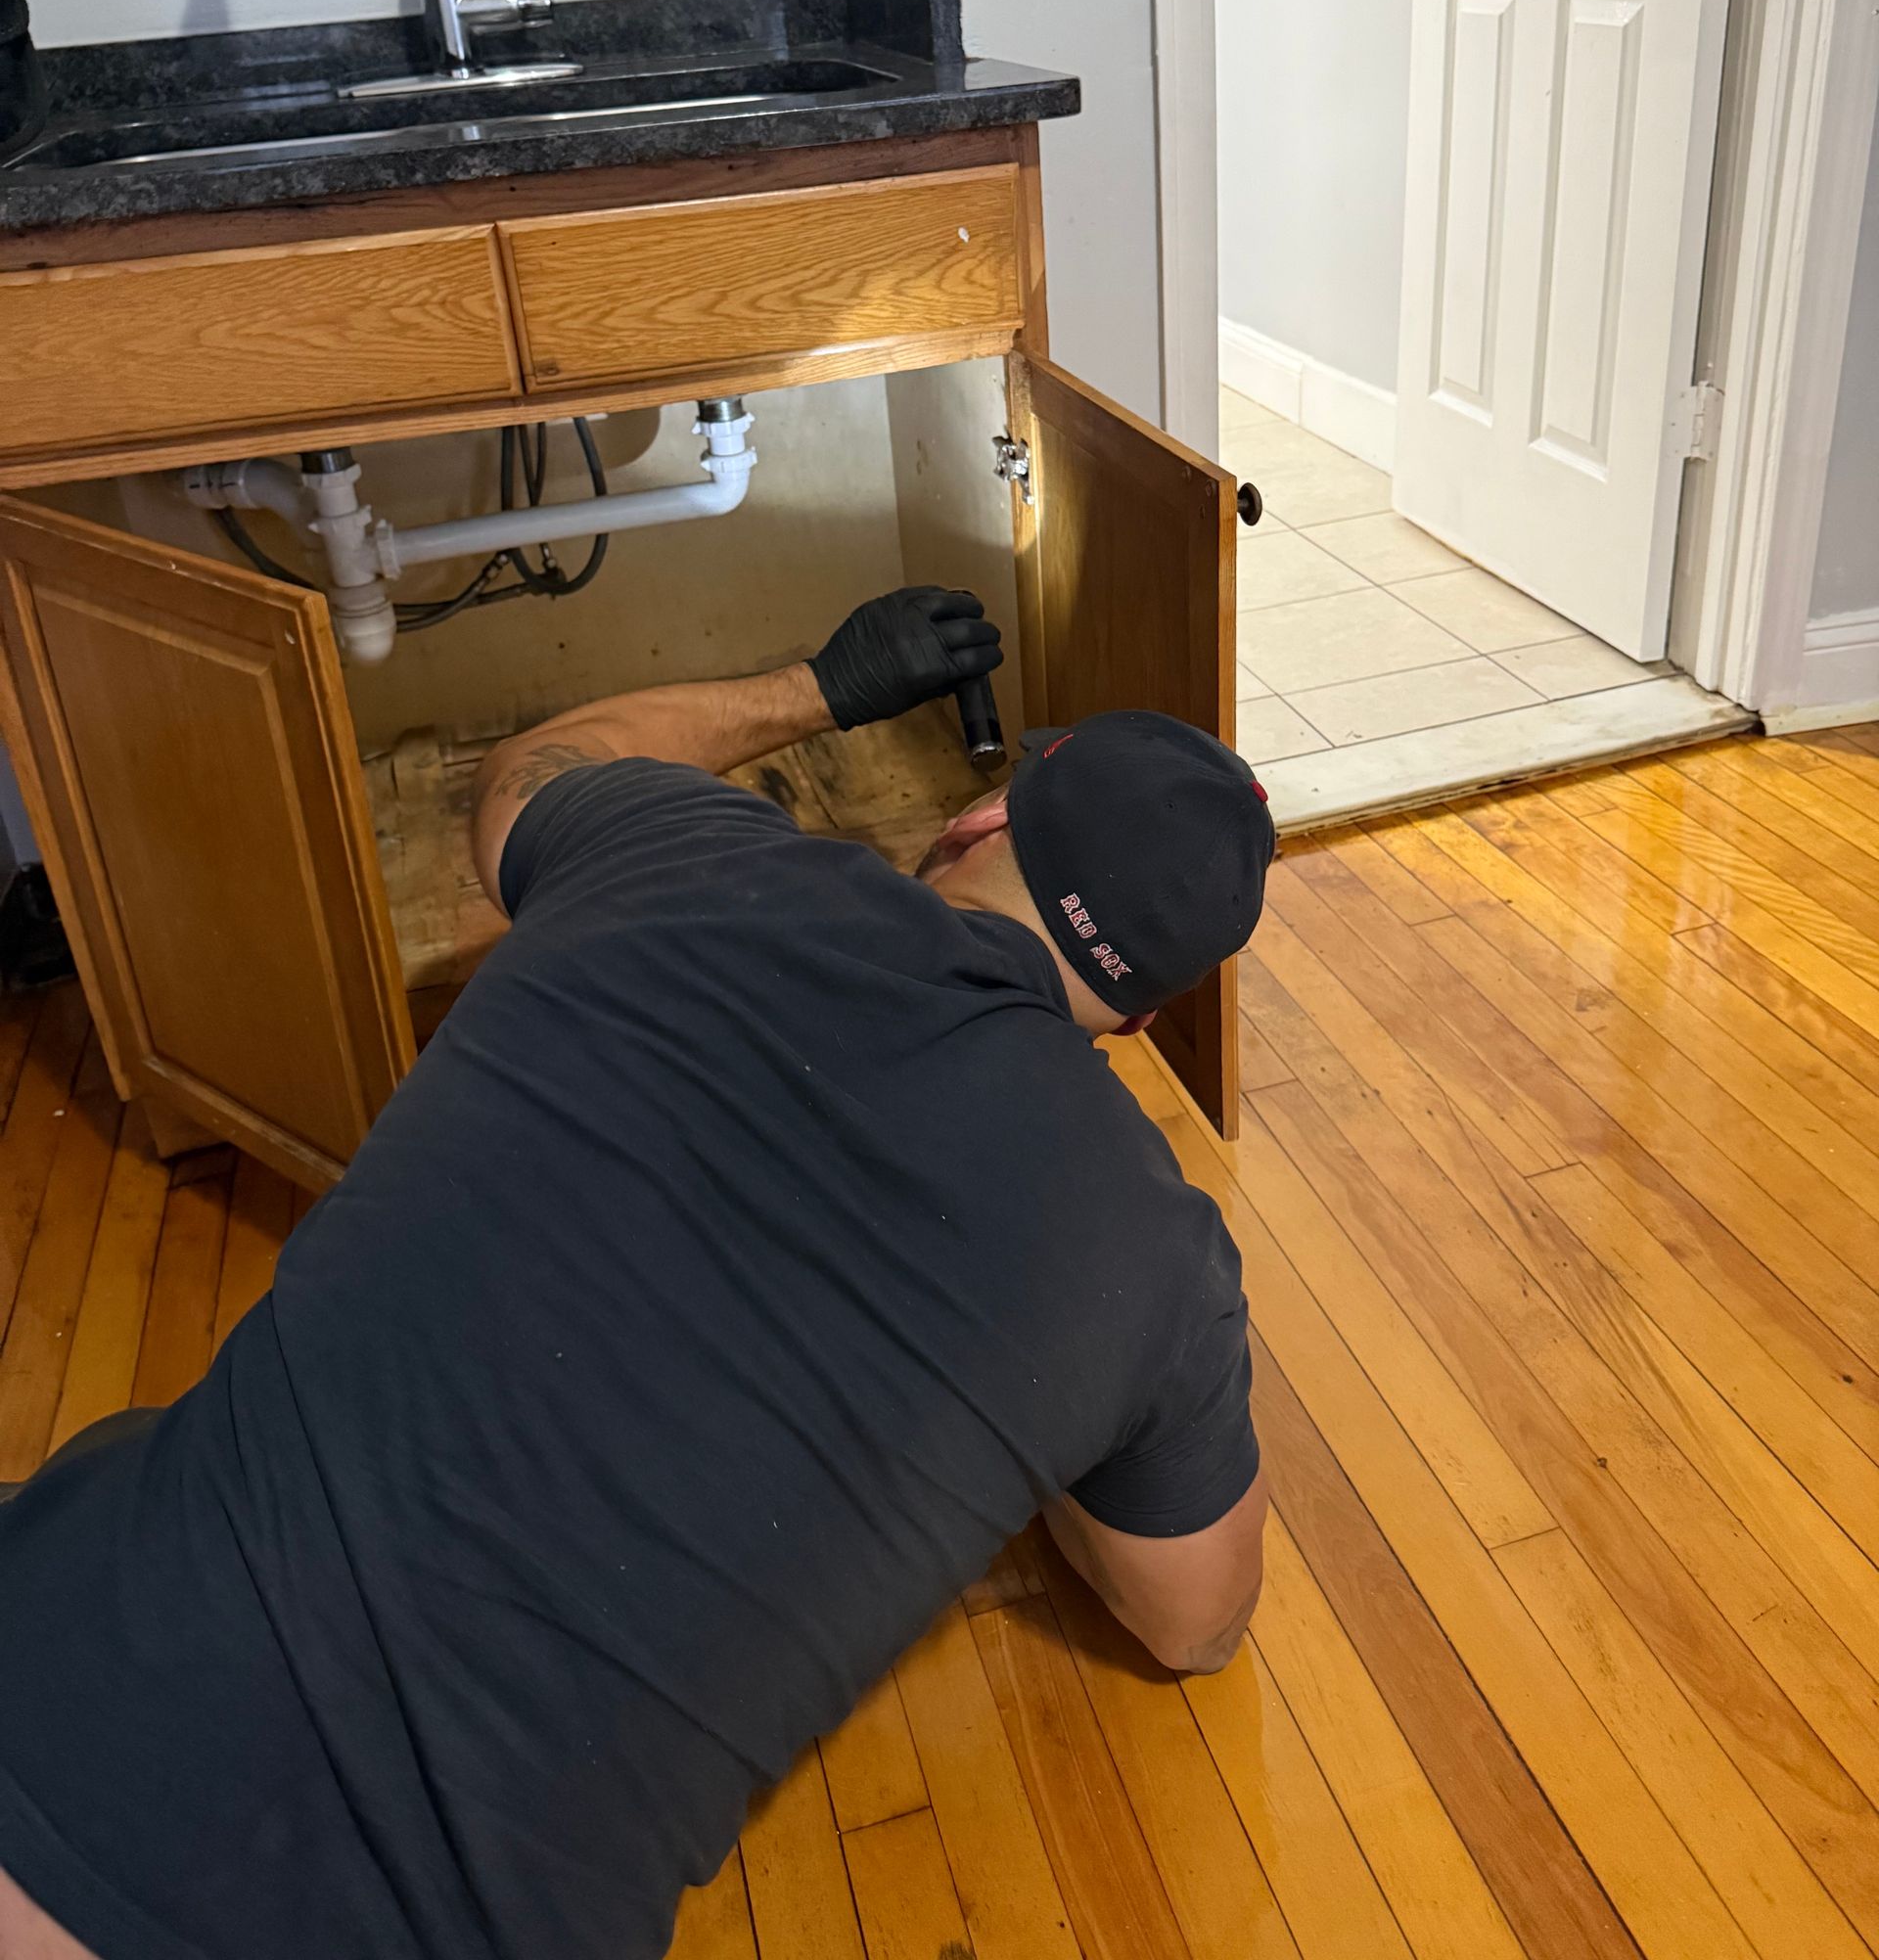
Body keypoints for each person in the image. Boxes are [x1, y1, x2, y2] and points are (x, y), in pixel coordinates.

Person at [0, 586, 1274, 1960]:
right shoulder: (1157, 1260)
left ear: (975, 826)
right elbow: (1196, 1624)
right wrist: (1066, 1428)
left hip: (67, 1650)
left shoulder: (675, 852)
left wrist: (827, 684)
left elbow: (531, 773)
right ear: (1141, 1016)